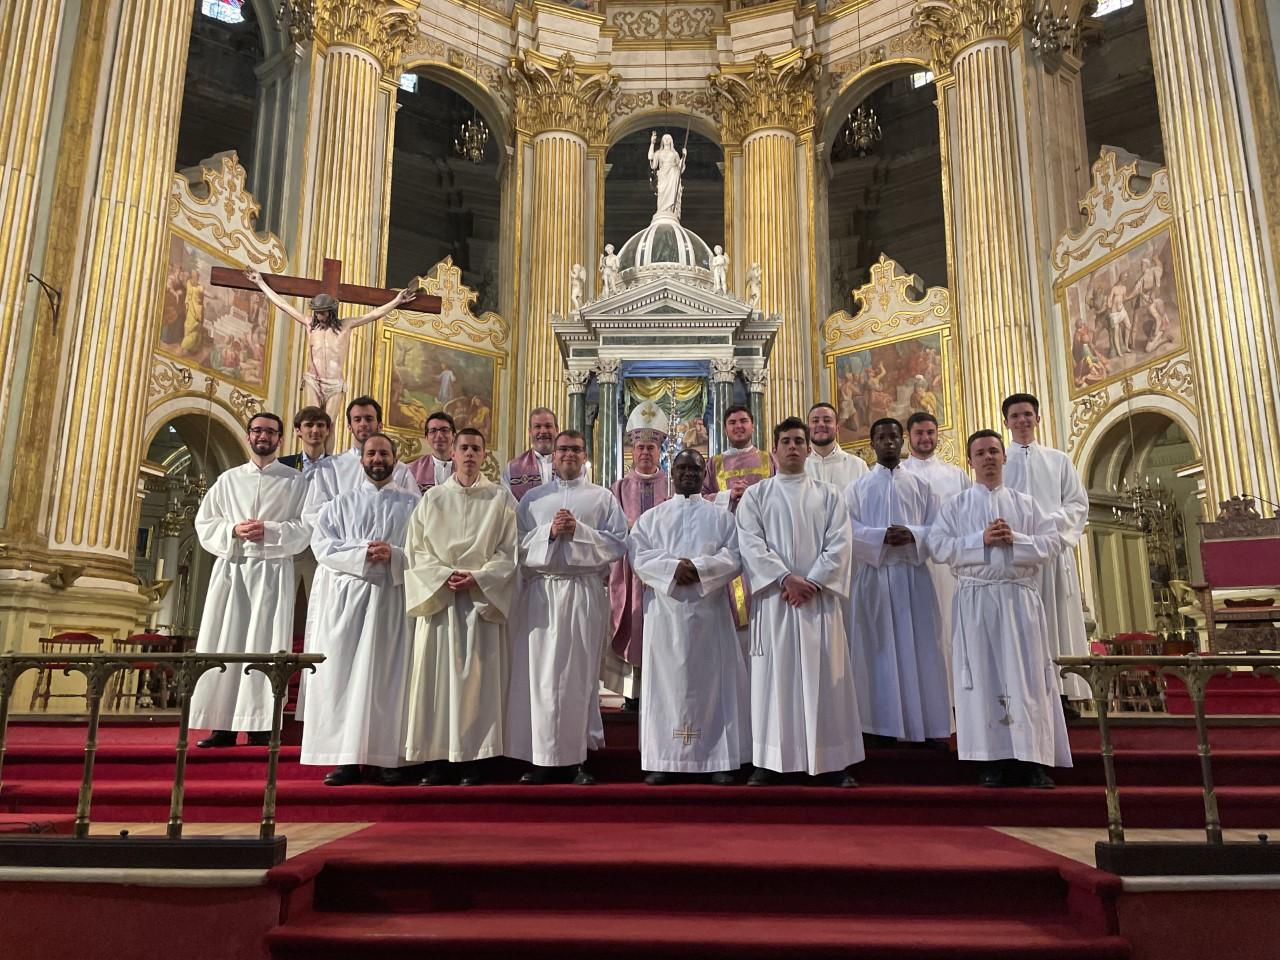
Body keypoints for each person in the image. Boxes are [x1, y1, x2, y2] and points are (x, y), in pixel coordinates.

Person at [926, 430, 1072, 788]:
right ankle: (989, 760)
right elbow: (938, 546)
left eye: (994, 451)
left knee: (1027, 679)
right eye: (980, 453)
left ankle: (1033, 759)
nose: (988, 458)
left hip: (1019, 600)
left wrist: (1016, 539)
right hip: (977, 602)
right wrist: (980, 540)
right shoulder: (957, 506)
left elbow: (1052, 544)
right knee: (984, 676)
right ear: (971, 461)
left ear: (1004, 457)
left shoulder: (1026, 504)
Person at [736, 417, 863, 787]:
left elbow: (840, 543)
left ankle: (832, 759)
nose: (792, 447)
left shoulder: (829, 495)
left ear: (808, 449)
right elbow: (750, 543)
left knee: (826, 677)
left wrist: (812, 581)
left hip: (817, 603)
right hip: (776, 601)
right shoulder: (757, 496)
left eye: (798, 441)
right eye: (785, 441)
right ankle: (770, 760)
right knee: (774, 679)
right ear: (773, 451)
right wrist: (784, 578)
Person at [507, 429, 628, 784]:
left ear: (585, 455)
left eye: (575, 449)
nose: (568, 455)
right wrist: (547, 532)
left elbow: (619, 544)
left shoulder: (602, 498)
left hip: (583, 592)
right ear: (553, 455)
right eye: (563, 450)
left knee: (578, 679)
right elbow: (513, 547)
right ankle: (539, 759)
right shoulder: (532, 499)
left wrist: (579, 531)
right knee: (540, 678)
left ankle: (577, 759)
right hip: (542, 594)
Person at [404, 428, 518, 786]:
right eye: (463, 448)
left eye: (476, 448)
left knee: (477, 685)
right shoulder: (432, 499)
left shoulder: (500, 500)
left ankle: (474, 759)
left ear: (485, 455)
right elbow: (416, 551)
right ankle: (437, 759)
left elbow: (509, 553)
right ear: (452, 453)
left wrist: (479, 578)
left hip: (479, 604)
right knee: (435, 683)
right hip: (441, 601)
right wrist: (443, 576)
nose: (469, 454)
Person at [302, 434, 418, 785]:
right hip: (349, 602)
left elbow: (428, 552)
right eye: (371, 453)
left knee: (389, 678)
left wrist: (396, 555)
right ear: (361, 460)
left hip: (393, 600)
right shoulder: (339, 504)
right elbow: (322, 546)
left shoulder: (415, 506)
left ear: (395, 460)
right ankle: (345, 758)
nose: (377, 458)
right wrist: (362, 553)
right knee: (345, 678)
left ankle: (388, 758)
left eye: (384, 453)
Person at [190, 413, 310, 747]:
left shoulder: (295, 482)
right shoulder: (228, 480)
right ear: (248, 436)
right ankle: (222, 725)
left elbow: (306, 528)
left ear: (280, 439)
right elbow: (204, 523)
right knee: (225, 643)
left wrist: (269, 530)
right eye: (257, 430)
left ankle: (261, 724)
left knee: (266, 646)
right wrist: (232, 529)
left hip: (273, 573)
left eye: (270, 431)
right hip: (233, 571)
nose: (263, 436)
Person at [630, 449, 749, 785]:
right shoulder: (653, 518)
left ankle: (718, 759)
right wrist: (672, 569)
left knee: (713, 685)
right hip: (665, 616)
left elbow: (736, 554)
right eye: (681, 468)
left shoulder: (722, 518)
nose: (687, 474)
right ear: (672, 473)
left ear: (702, 475)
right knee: (665, 687)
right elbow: (638, 554)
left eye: (694, 469)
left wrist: (699, 569)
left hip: (709, 614)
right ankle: (663, 759)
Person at [845, 419, 950, 746]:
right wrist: (880, 537)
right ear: (871, 443)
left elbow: (941, 530)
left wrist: (914, 535)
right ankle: (877, 727)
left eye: (894, 436)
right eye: (881, 437)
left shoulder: (921, 486)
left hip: (913, 577)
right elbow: (846, 531)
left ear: (902, 440)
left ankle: (928, 726)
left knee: (921, 650)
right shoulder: (857, 488)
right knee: (876, 652)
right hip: (874, 579)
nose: (888, 442)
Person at [245, 270, 414, 446]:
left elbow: (373, 314)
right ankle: (309, 462)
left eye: (323, 313)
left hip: (334, 383)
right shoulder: (310, 325)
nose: (320, 316)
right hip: (313, 380)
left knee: (329, 425)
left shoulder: (346, 326)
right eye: (317, 313)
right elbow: (283, 305)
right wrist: (260, 283)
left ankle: (327, 461)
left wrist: (397, 300)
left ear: (331, 311)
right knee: (310, 422)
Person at [1001, 393, 1090, 713]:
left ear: (1038, 419)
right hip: (1014, 559)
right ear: (1007, 422)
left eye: (1027, 414)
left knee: (1056, 623)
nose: (1022, 420)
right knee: (1020, 626)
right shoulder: (999, 460)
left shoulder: (1058, 460)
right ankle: (1025, 694)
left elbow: (1077, 505)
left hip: (1051, 555)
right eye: (1015, 416)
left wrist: (1044, 527)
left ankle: (1063, 694)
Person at [602, 401, 670, 708]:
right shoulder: (617, 487)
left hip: (664, 571)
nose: (645, 453)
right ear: (632, 450)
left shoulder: (671, 485)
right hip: (629, 573)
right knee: (633, 624)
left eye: (650, 448)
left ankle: (664, 690)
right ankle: (634, 693)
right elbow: (612, 529)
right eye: (640, 447)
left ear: (659, 452)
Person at [900, 411, 971, 678]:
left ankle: (956, 700)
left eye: (930, 432)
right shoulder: (900, 475)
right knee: (920, 630)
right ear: (909, 437)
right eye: (919, 433)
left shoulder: (955, 475)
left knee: (951, 628)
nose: (926, 438)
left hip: (949, 567)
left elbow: (967, 519)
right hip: (915, 563)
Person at [702, 405, 774, 630]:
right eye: (732, 423)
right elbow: (700, 499)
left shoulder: (769, 459)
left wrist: (752, 492)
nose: (738, 426)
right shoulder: (713, 463)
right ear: (725, 429)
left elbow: (782, 494)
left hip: (765, 539)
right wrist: (728, 495)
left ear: (752, 425)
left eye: (743, 421)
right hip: (729, 540)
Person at [804, 401, 868, 490]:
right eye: (815, 421)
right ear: (808, 429)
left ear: (837, 428)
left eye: (827, 420)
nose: (821, 424)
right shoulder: (799, 467)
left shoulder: (858, 466)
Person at [501, 407, 558, 502]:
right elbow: (509, 508)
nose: (543, 431)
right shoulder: (512, 469)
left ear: (556, 430)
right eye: (537, 426)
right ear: (530, 431)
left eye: (548, 426)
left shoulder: (571, 465)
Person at [408, 410, 455, 492]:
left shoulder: (464, 468)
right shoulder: (411, 470)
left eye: (444, 430)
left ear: (454, 435)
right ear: (426, 437)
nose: (439, 436)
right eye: (433, 431)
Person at [279, 406, 331, 477]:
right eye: (309, 425)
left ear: (327, 431)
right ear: (298, 431)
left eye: (320, 425)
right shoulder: (282, 465)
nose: (315, 430)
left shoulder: (337, 465)